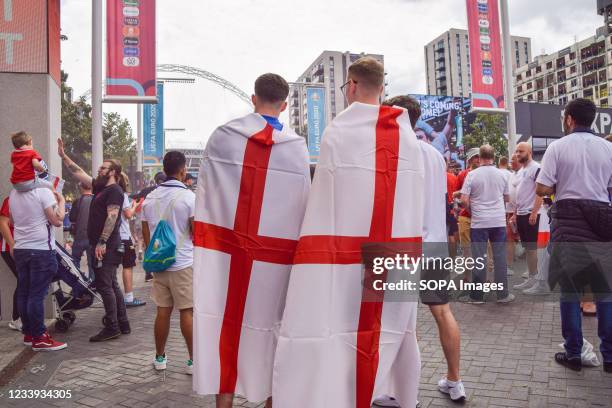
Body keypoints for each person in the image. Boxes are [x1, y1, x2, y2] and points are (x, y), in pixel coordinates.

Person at [274, 58, 423, 408]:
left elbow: (326, 203)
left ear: (352, 86)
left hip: (342, 260)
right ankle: (378, 390)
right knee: (385, 329)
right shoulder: (409, 139)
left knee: (338, 327)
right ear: (382, 88)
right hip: (393, 257)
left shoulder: (337, 132)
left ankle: (339, 393)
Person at [192, 73, 310, 408]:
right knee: (272, 330)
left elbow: (208, 195)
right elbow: (301, 204)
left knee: (227, 326)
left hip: (227, 254)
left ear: (253, 97)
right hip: (276, 261)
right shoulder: (297, 148)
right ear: (285, 105)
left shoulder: (224, 136)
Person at [381, 95, 466, 403]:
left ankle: (401, 392)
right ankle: (455, 380)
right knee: (442, 311)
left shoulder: (395, 150)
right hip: (434, 245)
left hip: (402, 247)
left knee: (400, 321)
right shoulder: (433, 155)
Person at [535, 98, 612, 373]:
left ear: (569, 119)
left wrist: (560, 182)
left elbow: (542, 188)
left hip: (568, 224)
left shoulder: (558, 147)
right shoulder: (608, 148)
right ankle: (610, 356)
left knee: (569, 291)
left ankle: (573, 354)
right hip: (603, 224)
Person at [58, 138, 131, 342]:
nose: (100, 169)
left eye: (104, 168)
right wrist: (63, 156)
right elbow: (79, 172)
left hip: (107, 246)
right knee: (111, 284)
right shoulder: (101, 188)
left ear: (113, 173)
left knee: (104, 285)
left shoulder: (114, 191)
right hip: (105, 245)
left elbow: (112, 216)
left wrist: (102, 242)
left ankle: (112, 326)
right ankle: (122, 323)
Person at [142, 151, 196, 376]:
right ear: (183, 170)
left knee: (162, 312)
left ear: (164, 169)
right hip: (183, 263)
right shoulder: (189, 198)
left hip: (159, 264)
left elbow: (146, 235)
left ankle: (160, 357)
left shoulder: (150, 198)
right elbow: (198, 233)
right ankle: (194, 361)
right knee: (187, 311)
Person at [10, 184, 66, 351]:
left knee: (24, 292)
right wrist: (61, 201)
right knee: (35, 295)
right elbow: (57, 220)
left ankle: (29, 334)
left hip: (21, 248)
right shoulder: (43, 192)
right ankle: (40, 337)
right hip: (40, 250)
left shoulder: (14, 193)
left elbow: (13, 220)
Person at [460, 145, 513, 304]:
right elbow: (507, 198)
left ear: (480, 157)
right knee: (499, 258)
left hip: (479, 223)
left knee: (479, 258)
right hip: (498, 221)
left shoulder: (472, 175)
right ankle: (503, 295)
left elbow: (463, 200)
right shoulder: (503, 175)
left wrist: (472, 207)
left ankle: (477, 297)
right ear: (493, 156)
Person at [511, 142, 544, 291]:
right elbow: (520, 194)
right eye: (517, 151)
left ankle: (537, 281)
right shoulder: (521, 170)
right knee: (527, 248)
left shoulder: (536, 168)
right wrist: (515, 214)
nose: (518, 154)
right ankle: (531, 278)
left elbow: (540, 192)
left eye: (521, 151)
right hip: (522, 214)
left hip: (531, 213)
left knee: (532, 249)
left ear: (529, 152)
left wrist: (534, 212)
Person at [117, 172, 145, 307]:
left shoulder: (105, 193)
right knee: (128, 266)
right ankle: (128, 297)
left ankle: (114, 297)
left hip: (111, 237)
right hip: (123, 236)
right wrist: (134, 206)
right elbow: (128, 214)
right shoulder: (122, 195)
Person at [132, 171, 166, 282]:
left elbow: (137, 196)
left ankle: (148, 272)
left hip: (149, 223)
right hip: (163, 224)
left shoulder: (147, 190)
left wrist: (125, 194)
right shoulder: (167, 191)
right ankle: (162, 270)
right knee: (163, 247)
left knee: (149, 247)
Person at [454, 148, 480, 272]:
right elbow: (455, 194)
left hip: (482, 217)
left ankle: (487, 280)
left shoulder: (485, 173)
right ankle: (468, 278)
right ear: (470, 160)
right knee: (466, 249)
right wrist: (462, 196)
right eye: (476, 157)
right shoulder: (462, 174)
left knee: (483, 249)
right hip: (465, 216)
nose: (478, 160)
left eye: (480, 157)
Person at [0, 197, 20, 331]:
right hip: (9, 248)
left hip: (24, 247)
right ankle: (16, 319)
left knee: (26, 281)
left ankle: (21, 317)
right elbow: (2, 223)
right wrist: (12, 244)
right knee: (24, 280)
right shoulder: (11, 199)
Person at [69, 182, 94, 278]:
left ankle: (78, 284)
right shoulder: (96, 200)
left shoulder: (77, 201)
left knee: (75, 262)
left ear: (81, 188)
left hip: (79, 237)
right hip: (92, 238)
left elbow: (72, 218)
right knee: (92, 264)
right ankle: (92, 287)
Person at [504, 154, 520, 276]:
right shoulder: (511, 175)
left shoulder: (524, 173)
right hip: (511, 212)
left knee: (527, 241)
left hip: (522, 212)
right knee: (509, 238)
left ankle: (532, 270)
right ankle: (509, 264)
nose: (511, 163)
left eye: (513, 160)